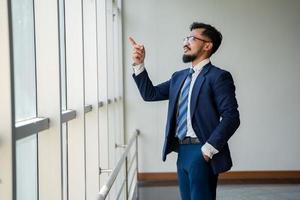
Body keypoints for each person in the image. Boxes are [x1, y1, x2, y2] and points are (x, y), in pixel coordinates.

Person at [129, 22, 240, 200]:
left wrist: (207, 150)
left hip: (202, 150)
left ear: (207, 45)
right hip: (182, 151)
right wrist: (138, 64)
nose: (185, 43)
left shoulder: (218, 76)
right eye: (185, 38)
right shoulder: (178, 77)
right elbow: (150, 94)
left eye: (191, 38)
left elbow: (231, 117)